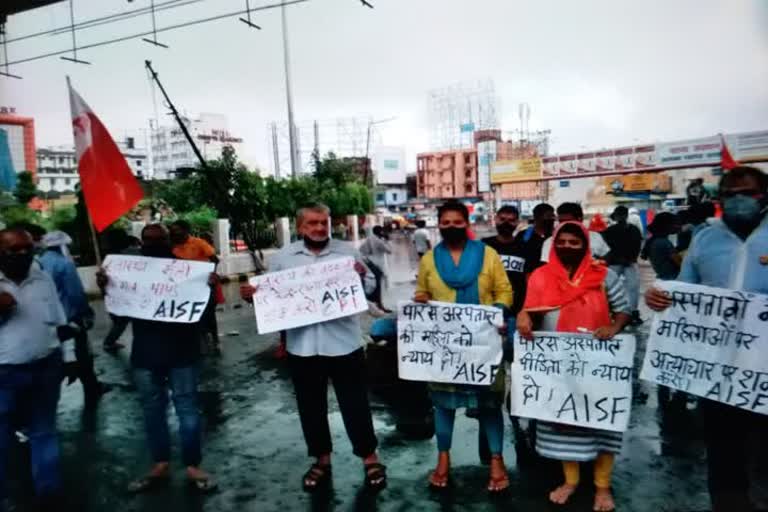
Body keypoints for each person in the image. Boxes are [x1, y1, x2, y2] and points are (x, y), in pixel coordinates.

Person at [645, 166, 768, 512]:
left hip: (765, 371)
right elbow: (684, 293)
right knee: (724, 455)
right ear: (719, 199)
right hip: (719, 374)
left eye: (748, 192)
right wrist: (660, 298)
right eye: (730, 194)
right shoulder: (703, 239)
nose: (739, 200)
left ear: (764, 196)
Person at [240, 203, 387, 492]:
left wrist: (359, 275)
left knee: (355, 404)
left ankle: (370, 459)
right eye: (312, 223)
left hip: (344, 344)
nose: (319, 228)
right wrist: (252, 296)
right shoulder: (283, 258)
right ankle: (322, 460)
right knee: (311, 408)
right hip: (302, 347)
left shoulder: (347, 252)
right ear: (300, 227)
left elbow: (370, 287)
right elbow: (271, 297)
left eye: (324, 222)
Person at [517, 222, 631, 512]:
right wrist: (523, 317)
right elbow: (529, 309)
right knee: (563, 422)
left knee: (601, 423)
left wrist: (613, 326)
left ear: (585, 246)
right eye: (562, 241)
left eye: (574, 242)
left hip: (598, 364)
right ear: (554, 245)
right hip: (556, 366)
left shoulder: (604, 275)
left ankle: (602, 487)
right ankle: (571, 482)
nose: (567, 246)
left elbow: (624, 309)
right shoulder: (541, 277)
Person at [98, 224, 217, 494]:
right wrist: (108, 289)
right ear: (141, 242)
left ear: (168, 241)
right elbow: (119, 316)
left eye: (159, 239)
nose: (154, 243)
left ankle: (192, 465)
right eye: (149, 239)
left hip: (182, 353)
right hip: (145, 355)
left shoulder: (188, 271)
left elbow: (203, 311)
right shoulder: (130, 276)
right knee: (152, 412)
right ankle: (160, 463)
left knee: (187, 409)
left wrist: (208, 288)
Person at [415, 200, 513, 493]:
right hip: (445, 348)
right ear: (439, 225)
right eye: (446, 222)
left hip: (482, 345)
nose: (451, 227)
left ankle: (496, 460)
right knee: (443, 405)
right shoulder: (430, 260)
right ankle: (443, 458)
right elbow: (422, 291)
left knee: (490, 406)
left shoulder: (489, 255)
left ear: (466, 223)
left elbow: (505, 290)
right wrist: (420, 299)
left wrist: (495, 312)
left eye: (457, 222)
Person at [0, 228, 76, 510]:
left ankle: (49, 495)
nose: (21, 255)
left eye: (26, 249)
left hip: (46, 367)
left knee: (44, 431)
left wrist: (66, 358)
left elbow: (58, 323)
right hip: (4, 375)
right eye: (13, 250)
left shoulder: (41, 276)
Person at [480, 204, 536, 465]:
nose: (506, 221)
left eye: (511, 219)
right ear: (495, 219)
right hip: (487, 317)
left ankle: (516, 411)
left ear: (517, 222)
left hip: (515, 315)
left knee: (516, 366)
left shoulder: (526, 248)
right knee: (489, 366)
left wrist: (527, 312)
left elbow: (529, 281)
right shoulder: (483, 246)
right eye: (502, 217)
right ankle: (485, 411)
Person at [38, 231, 109, 407]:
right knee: (81, 354)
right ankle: (90, 388)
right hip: (69, 318)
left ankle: (91, 386)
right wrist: (85, 313)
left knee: (57, 357)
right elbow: (75, 294)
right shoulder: (64, 264)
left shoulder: (38, 263)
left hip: (47, 321)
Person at [169, 220, 222, 353]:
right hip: (184, 287)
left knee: (208, 313)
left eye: (177, 230)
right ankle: (199, 340)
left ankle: (215, 339)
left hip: (204, 284)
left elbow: (215, 259)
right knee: (191, 313)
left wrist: (209, 274)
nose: (174, 233)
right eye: (173, 231)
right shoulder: (171, 246)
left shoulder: (199, 243)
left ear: (186, 231)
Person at [602, 206, 643, 326]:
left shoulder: (611, 230)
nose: (621, 217)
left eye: (622, 214)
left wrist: (631, 258)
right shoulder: (630, 229)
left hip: (623, 262)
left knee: (632, 288)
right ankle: (627, 313)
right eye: (619, 215)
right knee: (629, 288)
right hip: (620, 262)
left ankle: (632, 313)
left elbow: (637, 245)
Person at [540, 202, 611, 263]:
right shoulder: (550, 242)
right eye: (561, 221)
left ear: (580, 219)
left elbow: (605, 257)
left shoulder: (595, 236)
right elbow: (547, 265)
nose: (564, 224)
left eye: (568, 221)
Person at [514, 202, 555, 275]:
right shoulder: (524, 235)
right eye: (548, 216)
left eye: (552, 216)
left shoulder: (556, 236)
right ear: (537, 217)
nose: (552, 219)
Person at [360, 225, 392, 314]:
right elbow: (389, 250)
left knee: (373, 285)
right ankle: (379, 305)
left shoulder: (369, 239)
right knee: (378, 286)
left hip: (369, 264)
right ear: (380, 232)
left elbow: (361, 250)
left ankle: (374, 304)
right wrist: (387, 240)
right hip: (378, 265)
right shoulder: (379, 241)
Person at [641, 212, 682, 281]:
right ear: (667, 226)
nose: (678, 226)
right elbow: (679, 262)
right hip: (671, 279)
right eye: (675, 224)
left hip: (663, 278)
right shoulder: (664, 243)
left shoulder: (654, 240)